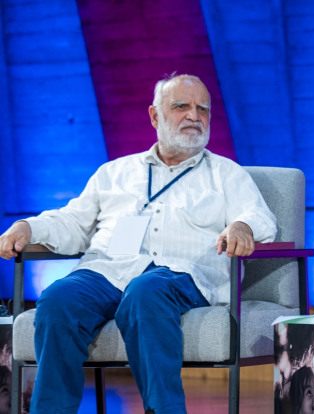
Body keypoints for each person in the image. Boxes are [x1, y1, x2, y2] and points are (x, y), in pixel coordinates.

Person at [0, 74, 277, 413]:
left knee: (145, 293)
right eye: (181, 106)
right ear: (154, 115)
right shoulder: (114, 173)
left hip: (178, 272)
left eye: (203, 109)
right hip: (109, 269)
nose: (194, 116)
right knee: (58, 299)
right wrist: (29, 227)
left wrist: (241, 225)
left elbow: (260, 216)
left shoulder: (226, 174)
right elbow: (73, 222)